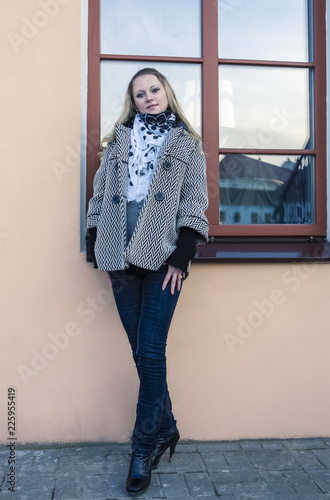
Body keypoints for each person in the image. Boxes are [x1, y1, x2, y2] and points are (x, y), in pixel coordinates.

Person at [86, 67, 208, 496]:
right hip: (118, 255)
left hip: (162, 257)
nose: (149, 97)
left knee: (151, 350)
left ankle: (143, 446)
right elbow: (100, 196)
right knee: (141, 352)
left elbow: (195, 201)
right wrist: (95, 242)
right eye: (140, 94)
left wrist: (183, 253)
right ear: (132, 102)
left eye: (155, 89)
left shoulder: (187, 144)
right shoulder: (119, 141)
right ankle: (168, 426)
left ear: (167, 93)